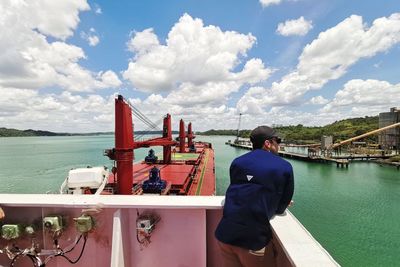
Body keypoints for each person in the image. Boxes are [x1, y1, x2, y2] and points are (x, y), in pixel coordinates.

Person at [215, 125, 294, 267]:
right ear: (268, 144)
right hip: (252, 241)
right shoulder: (284, 166)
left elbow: (242, 190)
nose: (279, 144)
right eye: (278, 140)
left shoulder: (237, 162)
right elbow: (281, 207)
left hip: (224, 235)